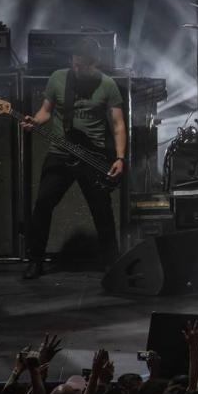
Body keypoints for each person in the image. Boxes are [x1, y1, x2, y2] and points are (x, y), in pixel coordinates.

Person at [20, 37, 126, 279]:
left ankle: (112, 263)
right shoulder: (58, 78)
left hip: (92, 157)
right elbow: (45, 111)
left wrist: (120, 158)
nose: (78, 70)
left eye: (83, 66)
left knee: (102, 210)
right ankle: (35, 260)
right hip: (60, 153)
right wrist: (34, 121)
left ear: (94, 63)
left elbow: (118, 124)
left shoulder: (107, 85)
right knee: (43, 205)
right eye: (75, 64)